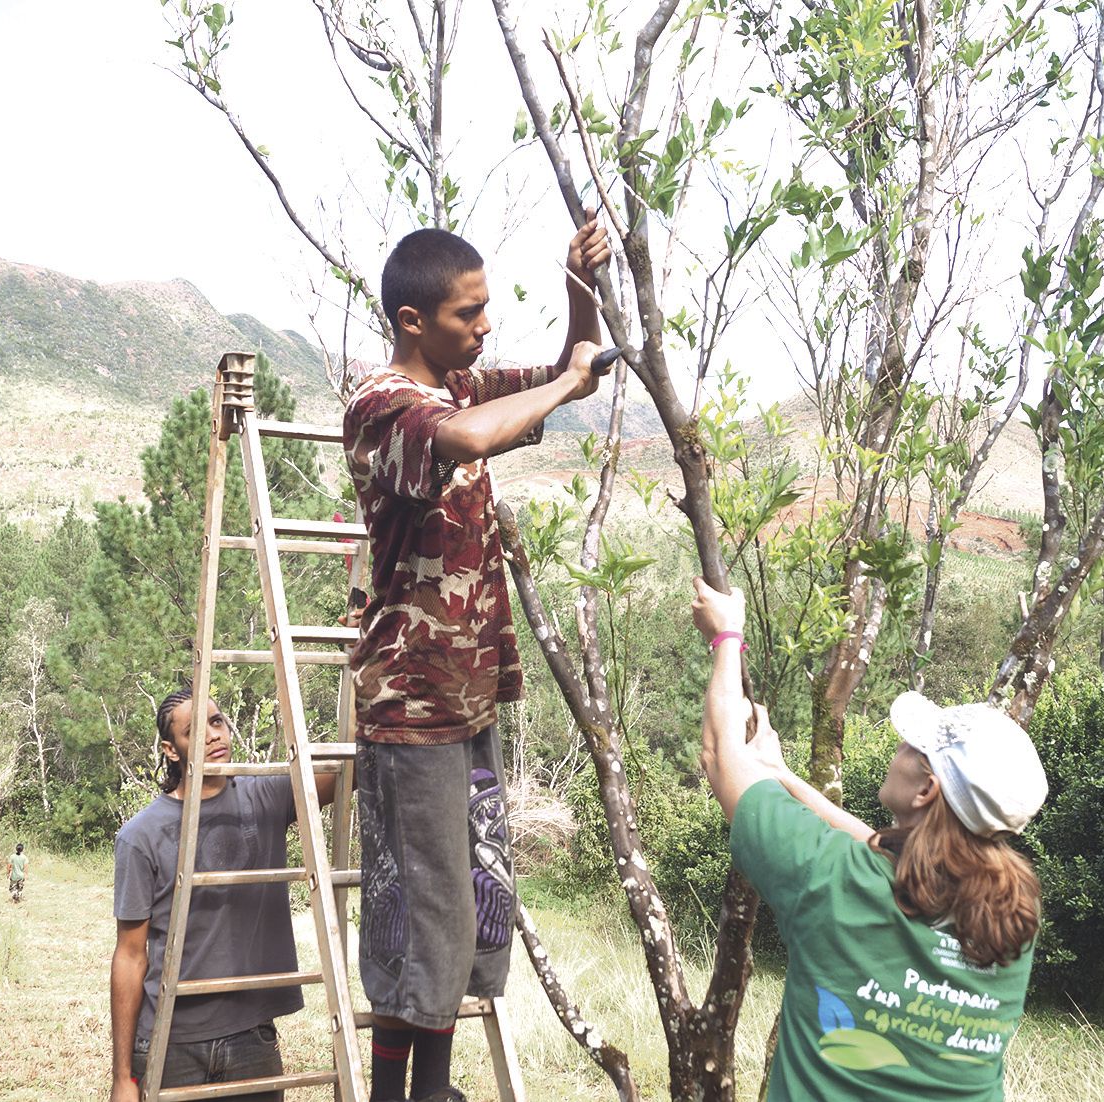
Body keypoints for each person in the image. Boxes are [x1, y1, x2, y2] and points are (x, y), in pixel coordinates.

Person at [341, 214, 611, 1102]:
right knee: (421, 913)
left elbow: (565, 377)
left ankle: (435, 1092)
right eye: (470, 313)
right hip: (412, 705)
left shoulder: (458, 384)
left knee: (466, 905)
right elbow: (467, 440)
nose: (486, 327)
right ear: (413, 319)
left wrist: (579, 291)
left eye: (488, 309)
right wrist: (565, 377)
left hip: (466, 702)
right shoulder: (386, 405)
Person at [690, 579, 1048, 1101]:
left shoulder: (831, 879)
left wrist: (727, 636)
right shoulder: (1015, 916)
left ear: (927, 789)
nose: (898, 748)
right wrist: (782, 774)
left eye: (912, 745)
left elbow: (720, 754)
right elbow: (878, 846)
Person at [109, 688, 337, 1102]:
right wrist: (122, 1077)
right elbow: (130, 955)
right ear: (171, 750)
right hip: (169, 1043)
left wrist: (367, 663)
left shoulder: (265, 795)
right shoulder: (140, 836)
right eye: (195, 729)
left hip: (251, 1037)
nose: (214, 735)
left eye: (217, 721)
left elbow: (345, 771)